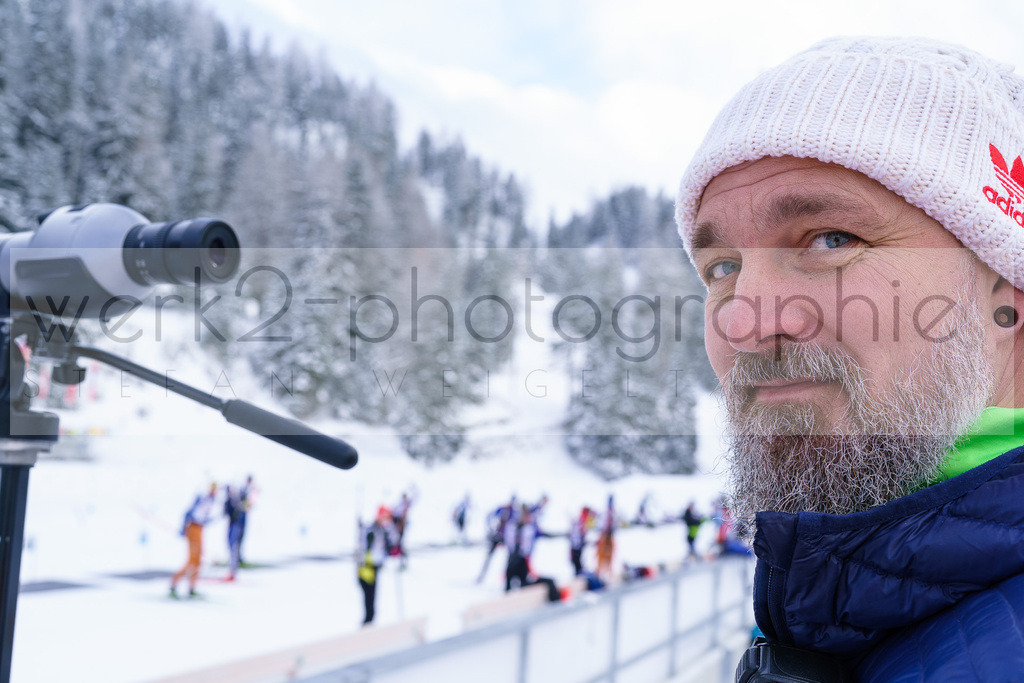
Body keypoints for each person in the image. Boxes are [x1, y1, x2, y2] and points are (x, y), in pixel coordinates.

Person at [676, 37, 1024, 680]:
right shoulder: (829, 608)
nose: (747, 322)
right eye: (722, 268)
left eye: (831, 240)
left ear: (1007, 298)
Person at [170, 482, 218, 598]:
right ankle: (174, 584)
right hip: (193, 528)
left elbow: (203, 517)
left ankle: (192, 587)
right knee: (192, 560)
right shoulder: (202, 498)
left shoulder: (212, 501)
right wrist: (184, 528)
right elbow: (189, 513)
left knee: (198, 560)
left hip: (200, 528)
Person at [356, 509, 391, 625]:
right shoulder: (371, 530)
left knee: (372, 600)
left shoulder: (381, 530)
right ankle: (367, 623)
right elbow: (365, 550)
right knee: (368, 600)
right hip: (366, 569)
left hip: (372, 569)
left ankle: (370, 622)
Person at [476, 495, 516, 583]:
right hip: (496, 536)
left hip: (505, 538)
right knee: (489, 558)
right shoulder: (502, 509)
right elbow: (490, 517)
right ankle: (481, 577)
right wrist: (491, 530)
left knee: (510, 559)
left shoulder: (514, 512)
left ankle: (506, 579)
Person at [223, 485, 244, 581]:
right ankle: (232, 569)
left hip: (235, 526)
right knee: (230, 546)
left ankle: (233, 570)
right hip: (232, 525)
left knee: (233, 547)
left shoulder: (236, 501)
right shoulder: (229, 501)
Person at [568, 506, 593, 576]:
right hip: (575, 545)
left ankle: (578, 575)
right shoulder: (580, 521)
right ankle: (578, 575)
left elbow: (582, 533)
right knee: (575, 561)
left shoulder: (582, 521)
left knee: (576, 562)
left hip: (577, 546)